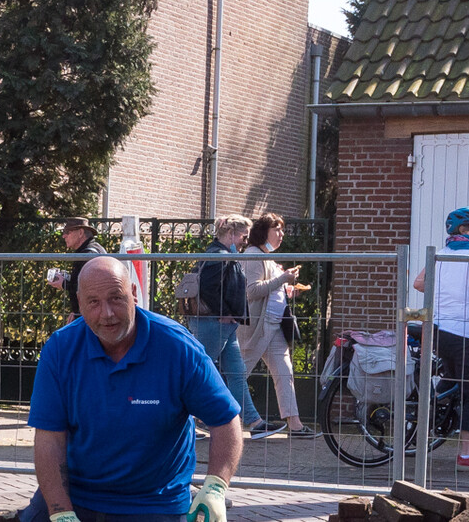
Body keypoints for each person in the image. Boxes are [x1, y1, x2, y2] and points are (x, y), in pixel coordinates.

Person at [22, 257, 243, 522]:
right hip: (77, 495)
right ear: (79, 303)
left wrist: (215, 488)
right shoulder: (60, 350)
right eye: (93, 302)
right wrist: (60, 513)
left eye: (116, 298)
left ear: (134, 294)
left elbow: (226, 420)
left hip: (154, 502)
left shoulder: (177, 348)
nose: (107, 313)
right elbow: (49, 438)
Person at [412, 206, 469, 472]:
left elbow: (418, 283)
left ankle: (435, 423)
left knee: (451, 383)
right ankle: (467, 455)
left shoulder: (443, 252)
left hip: (440, 330)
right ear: (464, 230)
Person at [238, 213, 313, 438]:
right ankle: (207, 415)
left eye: (282, 230)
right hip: (256, 329)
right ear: (263, 231)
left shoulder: (267, 256)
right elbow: (251, 292)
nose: (281, 235)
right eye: (277, 229)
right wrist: (282, 280)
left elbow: (269, 289)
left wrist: (288, 288)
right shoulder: (253, 255)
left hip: (272, 326)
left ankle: (295, 424)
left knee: (284, 371)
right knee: (238, 374)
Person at [190, 215, 266, 433]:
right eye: (243, 236)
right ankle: (188, 421)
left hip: (224, 324)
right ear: (231, 234)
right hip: (214, 323)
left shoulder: (218, 253)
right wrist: (223, 312)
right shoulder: (219, 256)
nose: (245, 241)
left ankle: (255, 422)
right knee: (201, 371)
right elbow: (207, 288)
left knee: (236, 372)